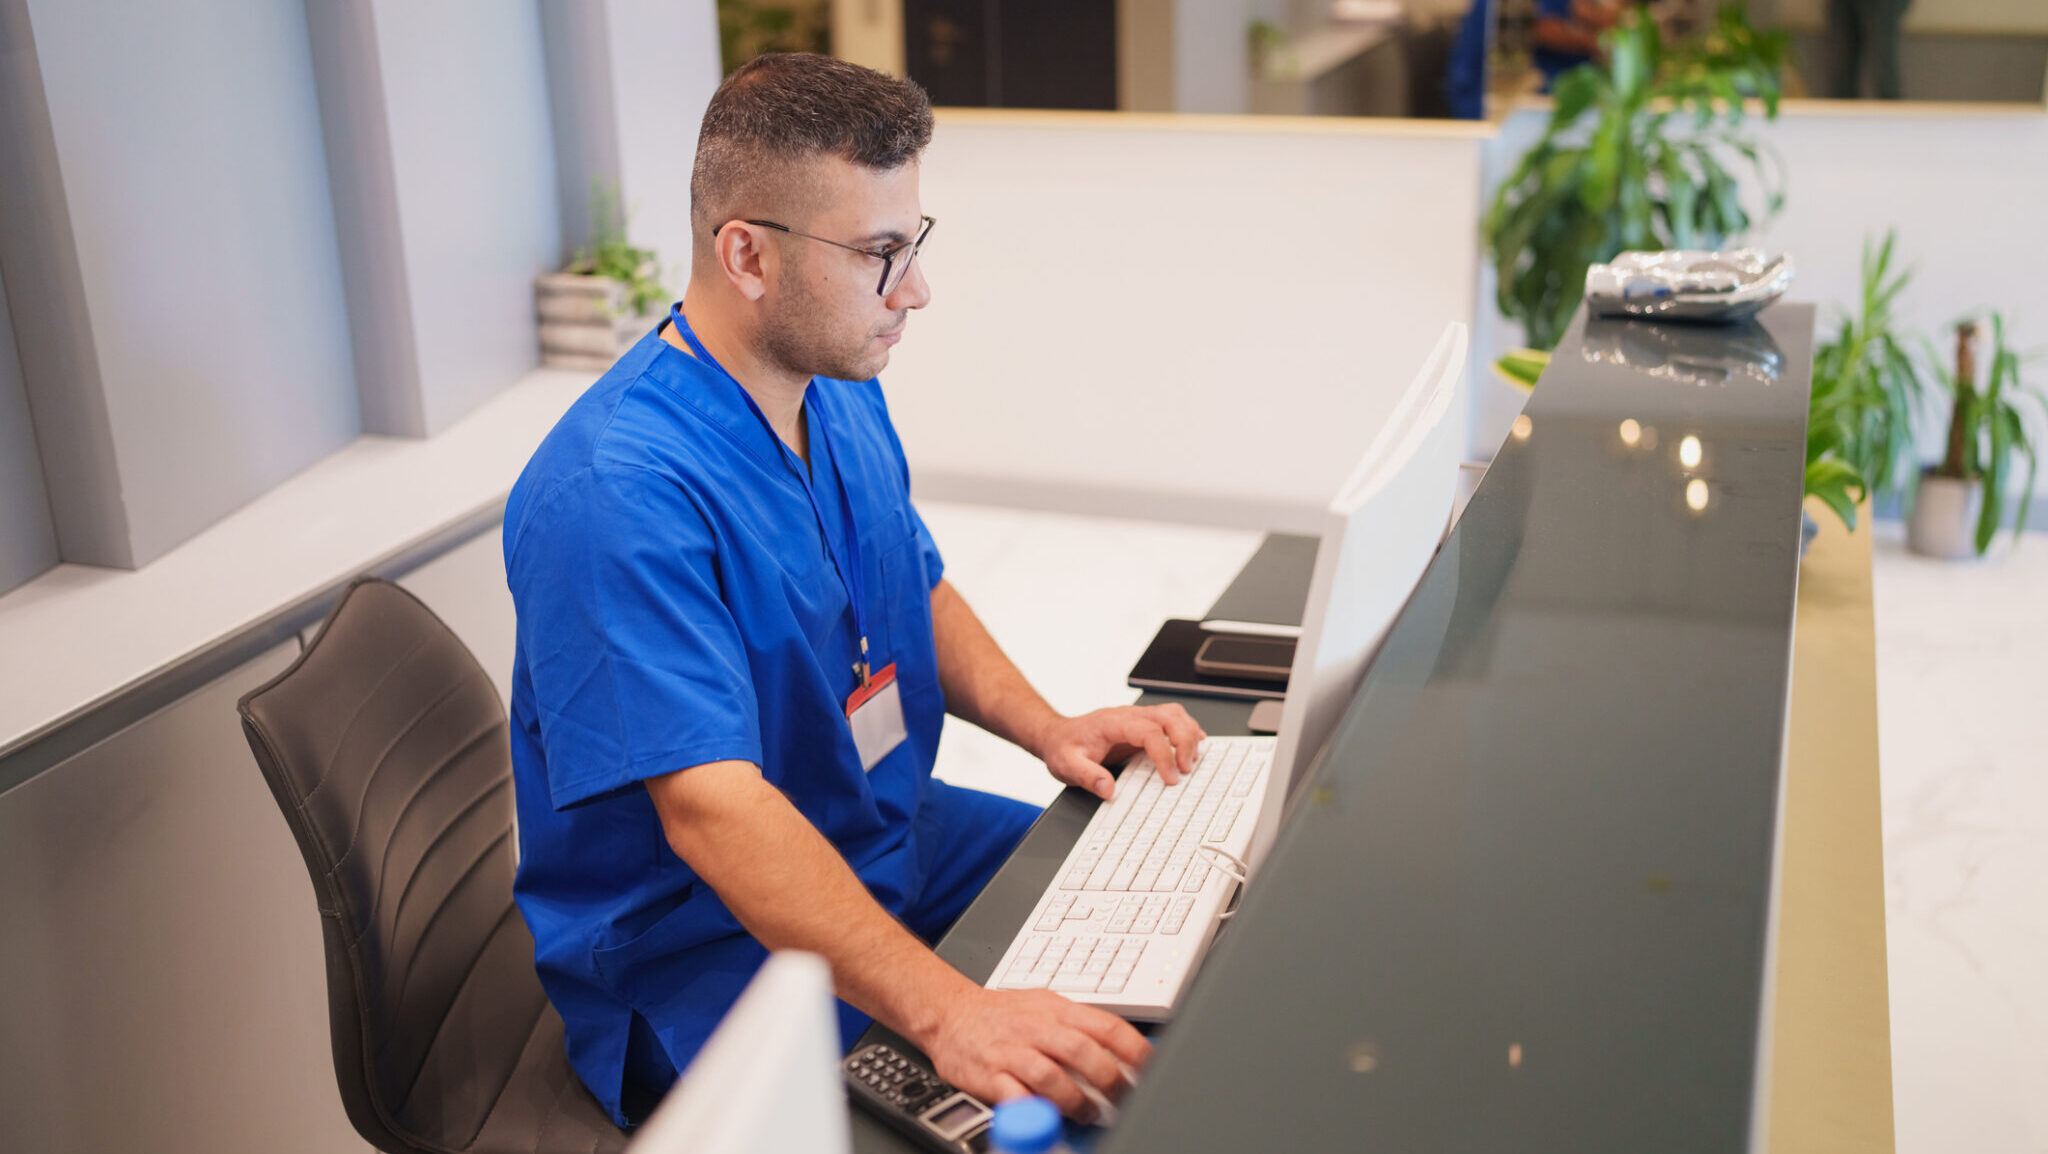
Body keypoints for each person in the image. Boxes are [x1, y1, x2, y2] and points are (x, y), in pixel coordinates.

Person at [502, 52, 1206, 1130]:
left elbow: (907, 579)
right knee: (1057, 1105)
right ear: (745, 254)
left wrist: (1046, 724)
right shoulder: (615, 494)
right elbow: (712, 811)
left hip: (881, 827)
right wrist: (948, 1011)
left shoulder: (830, 382)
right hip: (712, 952)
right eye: (879, 254)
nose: (914, 290)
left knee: (1155, 918)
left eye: (910, 244)